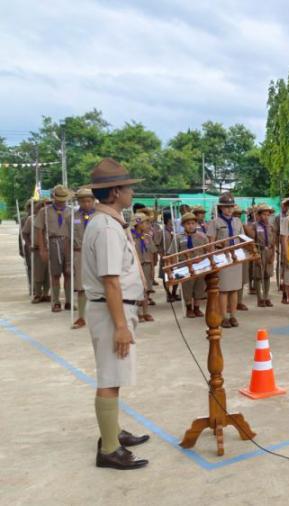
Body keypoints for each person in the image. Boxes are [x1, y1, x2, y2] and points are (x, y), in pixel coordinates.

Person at [82, 158, 150, 470]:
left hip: (116, 308)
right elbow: (110, 281)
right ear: (114, 192)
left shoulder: (110, 223)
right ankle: (109, 449)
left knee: (116, 374)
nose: (132, 192)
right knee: (110, 376)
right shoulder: (107, 228)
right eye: (127, 187)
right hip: (112, 311)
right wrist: (121, 326)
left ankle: (113, 432)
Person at [35, 185, 73, 312]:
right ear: (53, 197)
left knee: (69, 273)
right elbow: (39, 231)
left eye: (64, 199)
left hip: (68, 243)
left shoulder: (71, 211)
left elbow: (76, 228)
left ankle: (69, 301)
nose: (62, 201)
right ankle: (56, 302)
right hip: (52, 243)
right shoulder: (44, 211)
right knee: (55, 274)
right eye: (59, 199)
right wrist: (42, 249)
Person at [208, 193, 243, 328]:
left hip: (236, 257)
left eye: (231, 206)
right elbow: (211, 242)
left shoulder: (238, 221)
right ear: (221, 208)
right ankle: (224, 317)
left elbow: (242, 238)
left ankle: (233, 315)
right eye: (226, 207)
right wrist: (212, 258)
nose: (229, 209)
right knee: (223, 289)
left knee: (234, 289)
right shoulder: (215, 222)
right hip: (222, 257)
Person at [168, 212, 208, 318]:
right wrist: (174, 266)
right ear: (183, 225)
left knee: (199, 287)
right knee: (187, 288)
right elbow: (173, 253)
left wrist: (204, 260)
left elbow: (208, 251)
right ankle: (189, 308)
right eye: (188, 224)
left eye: (193, 223)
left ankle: (197, 308)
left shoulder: (202, 236)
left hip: (200, 265)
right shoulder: (178, 237)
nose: (190, 226)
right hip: (185, 266)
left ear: (196, 224)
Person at [72, 187, 97, 329]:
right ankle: (81, 317)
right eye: (82, 201)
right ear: (78, 202)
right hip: (79, 253)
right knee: (81, 285)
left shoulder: (99, 216)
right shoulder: (73, 217)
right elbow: (69, 237)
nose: (86, 204)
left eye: (88, 201)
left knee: (99, 283)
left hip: (96, 253)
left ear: (93, 201)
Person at [131, 211, 156, 322]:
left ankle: (146, 312)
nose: (148, 225)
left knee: (146, 290)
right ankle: (138, 313)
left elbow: (151, 253)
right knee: (136, 290)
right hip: (135, 266)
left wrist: (152, 268)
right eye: (146, 223)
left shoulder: (147, 237)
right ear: (138, 224)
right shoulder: (130, 237)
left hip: (146, 265)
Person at [250, 204, 276, 307]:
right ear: (259, 215)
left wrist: (273, 255)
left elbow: (273, 242)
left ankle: (266, 297)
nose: (266, 217)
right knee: (258, 275)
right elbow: (252, 242)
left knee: (267, 275)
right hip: (259, 251)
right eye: (264, 214)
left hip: (268, 251)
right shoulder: (255, 226)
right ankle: (259, 298)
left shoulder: (271, 227)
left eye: (268, 215)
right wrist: (256, 255)